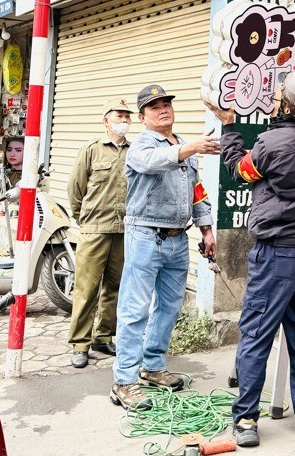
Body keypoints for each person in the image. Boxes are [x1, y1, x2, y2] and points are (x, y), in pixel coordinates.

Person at [208, 71, 295, 447]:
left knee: (257, 335)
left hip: (279, 256)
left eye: (281, 95)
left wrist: (230, 127)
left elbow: (240, 170)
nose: (276, 98)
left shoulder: (272, 142)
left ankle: (246, 419)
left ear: (288, 106)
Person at [110, 85, 219, 410]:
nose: (163, 109)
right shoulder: (141, 146)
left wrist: (207, 229)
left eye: (166, 103)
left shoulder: (185, 146)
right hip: (145, 236)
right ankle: (124, 382)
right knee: (134, 310)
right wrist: (189, 149)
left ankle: (153, 366)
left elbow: (196, 190)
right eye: (154, 106)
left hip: (177, 238)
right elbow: (151, 164)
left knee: (169, 307)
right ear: (142, 117)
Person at [67, 98, 133, 369]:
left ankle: (103, 336)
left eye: (128, 116)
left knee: (115, 287)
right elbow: (75, 190)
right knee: (86, 289)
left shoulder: (135, 150)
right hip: (95, 229)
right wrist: (85, 219)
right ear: (106, 120)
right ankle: (80, 343)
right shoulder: (92, 150)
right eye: (119, 116)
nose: (124, 121)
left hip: (125, 229)